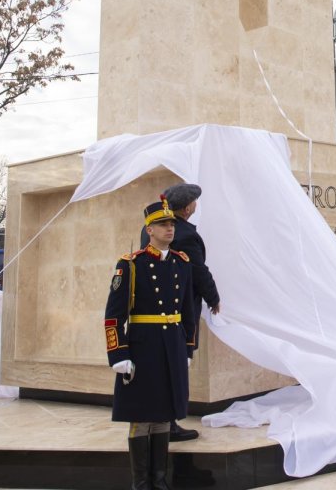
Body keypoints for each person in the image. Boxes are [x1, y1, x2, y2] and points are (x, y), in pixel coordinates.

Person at [107, 199, 196, 490]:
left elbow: (187, 312)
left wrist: (187, 348)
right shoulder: (131, 264)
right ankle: (141, 483)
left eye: (172, 224)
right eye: (163, 224)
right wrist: (118, 353)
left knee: (163, 415)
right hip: (143, 347)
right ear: (150, 229)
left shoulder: (182, 263)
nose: (169, 228)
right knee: (142, 416)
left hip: (171, 346)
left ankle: (159, 481)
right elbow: (113, 316)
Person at [138, 183, 220, 442]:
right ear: (187, 208)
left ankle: (161, 420)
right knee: (175, 366)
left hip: (158, 309)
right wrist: (213, 297)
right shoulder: (184, 234)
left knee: (164, 366)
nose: (196, 205)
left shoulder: (151, 228)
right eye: (194, 202)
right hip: (177, 310)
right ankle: (169, 423)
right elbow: (198, 270)